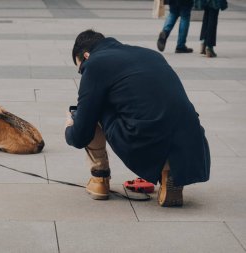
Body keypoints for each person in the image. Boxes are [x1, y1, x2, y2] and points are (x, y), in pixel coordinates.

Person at [65, 29, 210, 207]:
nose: (83, 74)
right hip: (192, 141)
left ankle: (99, 180)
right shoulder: (150, 54)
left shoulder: (95, 63)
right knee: (158, 116)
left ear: (86, 56)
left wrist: (71, 126)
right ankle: (168, 171)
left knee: (85, 112)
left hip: (148, 139)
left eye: (81, 69)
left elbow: (81, 135)